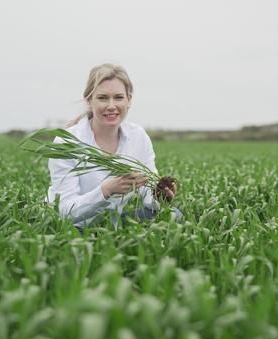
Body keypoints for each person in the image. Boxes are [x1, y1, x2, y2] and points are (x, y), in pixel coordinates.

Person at [47, 63, 179, 229]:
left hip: (113, 222)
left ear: (128, 100)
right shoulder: (67, 143)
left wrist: (159, 196)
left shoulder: (138, 136)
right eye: (102, 98)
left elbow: (147, 191)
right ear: (89, 100)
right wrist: (105, 191)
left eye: (118, 97)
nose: (111, 106)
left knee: (174, 215)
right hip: (75, 228)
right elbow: (64, 212)